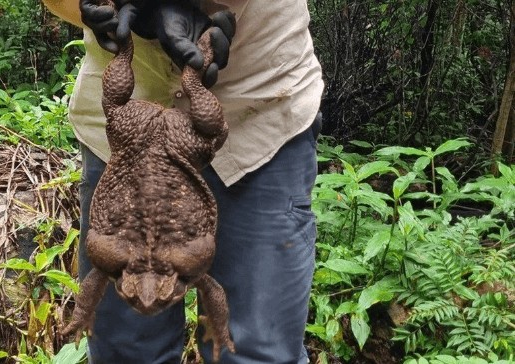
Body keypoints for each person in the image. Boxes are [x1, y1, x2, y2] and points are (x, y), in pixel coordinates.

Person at [41, 0, 324, 363]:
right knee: (125, 353)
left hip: (257, 110)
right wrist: (111, 9)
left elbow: (210, 290)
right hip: (125, 136)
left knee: (255, 352)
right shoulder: (130, 262)